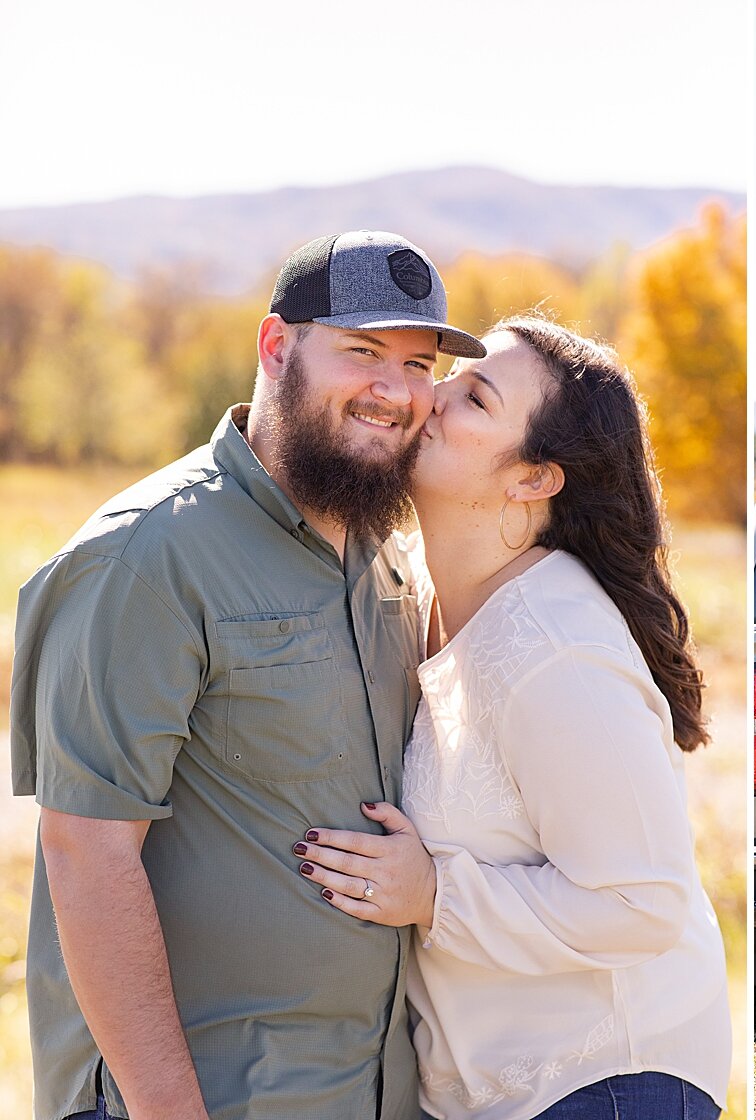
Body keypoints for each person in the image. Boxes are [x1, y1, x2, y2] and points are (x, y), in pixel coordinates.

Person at [10, 230, 486, 1120]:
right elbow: (87, 853)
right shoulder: (145, 558)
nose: (396, 390)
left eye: (420, 364)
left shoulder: (383, 556)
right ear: (277, 348)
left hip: (371, 1092)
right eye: (362, 352)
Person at [297, 317, 731, 1119]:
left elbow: (644, 901)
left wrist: (435, 894)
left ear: (533, 480)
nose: (430, 397)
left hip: (609, 1081)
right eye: (446, 376)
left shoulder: (557, 649)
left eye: (474, 397)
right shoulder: (420, 594)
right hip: (489, 1091)